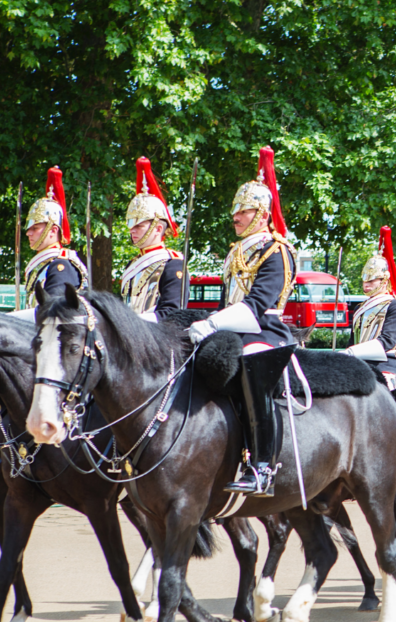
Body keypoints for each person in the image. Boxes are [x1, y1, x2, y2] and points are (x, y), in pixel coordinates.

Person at [189, 147, 297, 497]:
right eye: (235, 209)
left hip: (265, 331)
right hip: (234, 329)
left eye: (244, 209)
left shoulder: (276, 250)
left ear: (262, 213)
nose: (235, 215)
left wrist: (212, 323)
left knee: (251, 362)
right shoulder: (236, 252)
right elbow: (227, 303)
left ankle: (262, 465)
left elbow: (256, 306)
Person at [120, 157, 186, 321]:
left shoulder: (172, 264)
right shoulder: (133, 264)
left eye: (138, 226)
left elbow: (172, 313)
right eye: (131, 225)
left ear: (157, 228)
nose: (132, 231)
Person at [345, 226, 396, 392]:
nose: (366, 284)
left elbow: (388, 341)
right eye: (364, 280)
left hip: (384, 366)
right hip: (358, 365)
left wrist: (350, 352)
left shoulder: (395, 305)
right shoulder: (360, 308)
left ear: (384, 279)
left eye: (372, 281)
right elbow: (354, 340)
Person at [23, 166, 87, 308]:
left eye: (35, 228)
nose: (28, 233)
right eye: (29, 228)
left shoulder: (61, 265)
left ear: (52, 230)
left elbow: (52, 311)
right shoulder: (43, 264)